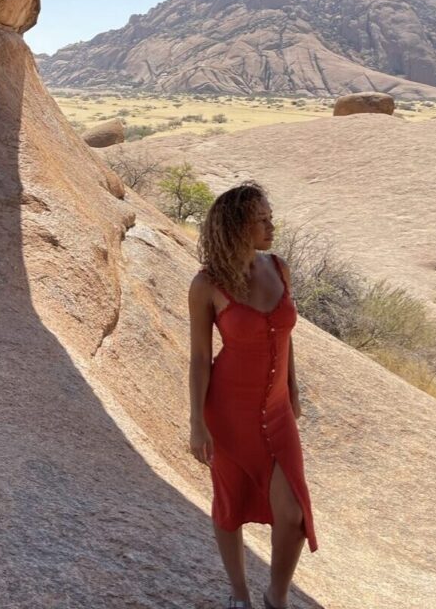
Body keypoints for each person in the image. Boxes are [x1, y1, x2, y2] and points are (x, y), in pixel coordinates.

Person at [187, 181, 318, 609]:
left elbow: (284, 333)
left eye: (269, 215)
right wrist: (197, 422)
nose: (271, 225)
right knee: (230, 503)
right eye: (260, 219)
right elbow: (201, 357)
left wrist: (294, 388)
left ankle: (275, 595)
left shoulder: (279, 267)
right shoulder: (207, 285)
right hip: (228, 412)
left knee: (294, 515)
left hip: (277, 411)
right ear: (237, 227)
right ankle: (239, 595)